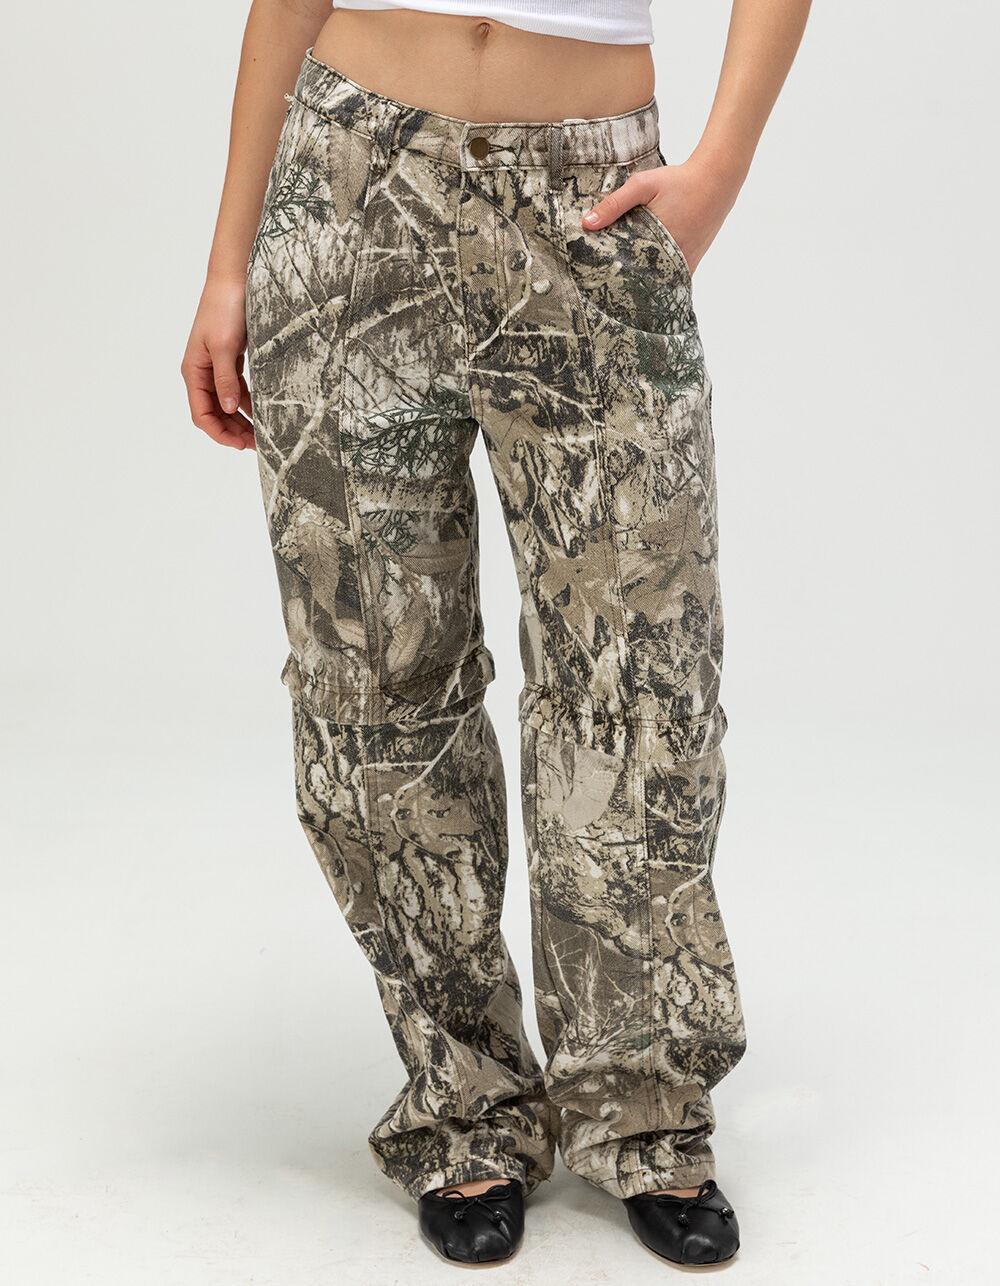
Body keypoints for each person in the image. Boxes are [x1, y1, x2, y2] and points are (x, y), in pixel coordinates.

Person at [182, 0, 810, 1268]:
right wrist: (230, 264)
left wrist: (719, 166)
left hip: (588, 196)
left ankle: (640, 1104)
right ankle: (462, 1101)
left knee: (638, 681)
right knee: (375, 681)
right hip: (348, 188)